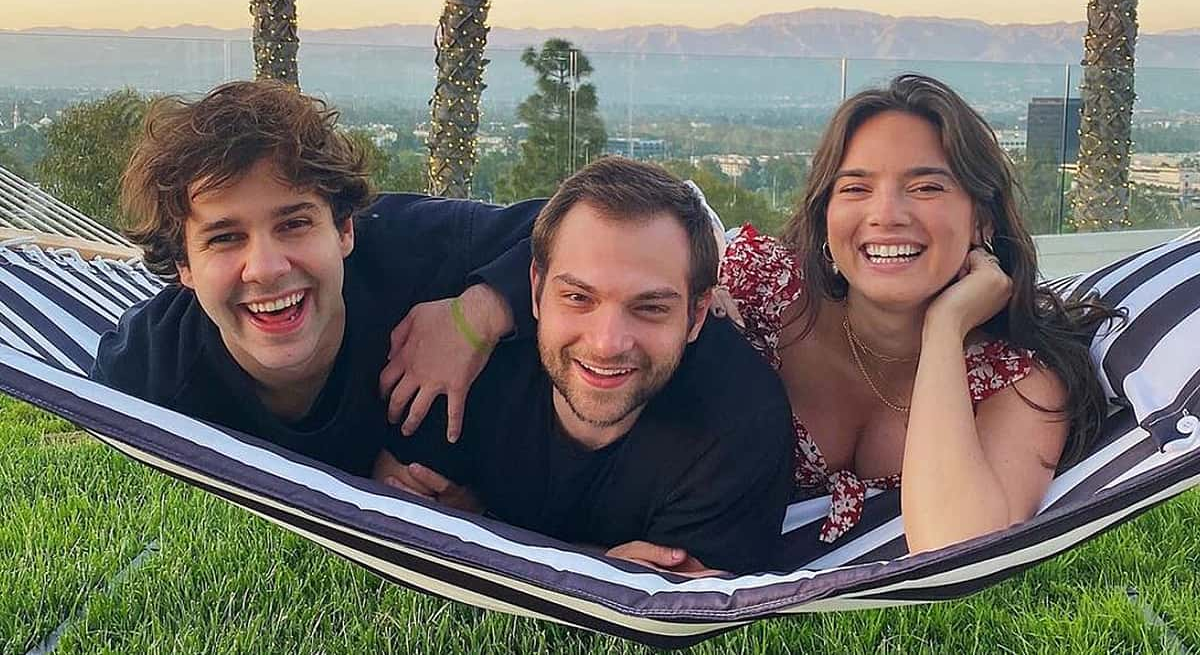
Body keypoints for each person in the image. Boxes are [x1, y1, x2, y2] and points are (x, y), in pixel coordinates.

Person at [713, 74, 1119, 552]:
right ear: (825, 216)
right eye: (855, 189)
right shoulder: (759, 292)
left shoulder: (1015, 380)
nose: (887, 214)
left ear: (981, 219)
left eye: (926, 187)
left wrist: (946, 328)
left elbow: (954, 549)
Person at [90, 80, 540, 479]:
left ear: (345, 229)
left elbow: (581, 233)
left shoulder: (415, 248)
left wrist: (477, 314)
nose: (266, 268)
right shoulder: (146, 376)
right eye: (225, 238)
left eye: (294, 224)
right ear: (183, 265)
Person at [379, 157, 795, 575]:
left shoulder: (741, 420)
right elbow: (393, 485)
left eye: (649, 307)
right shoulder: (462, 363)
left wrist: (488, 529)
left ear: (698, 313)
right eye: (578, 298)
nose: (607, 343)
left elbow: (682, 592)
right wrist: (598, 566)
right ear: (536, 290)